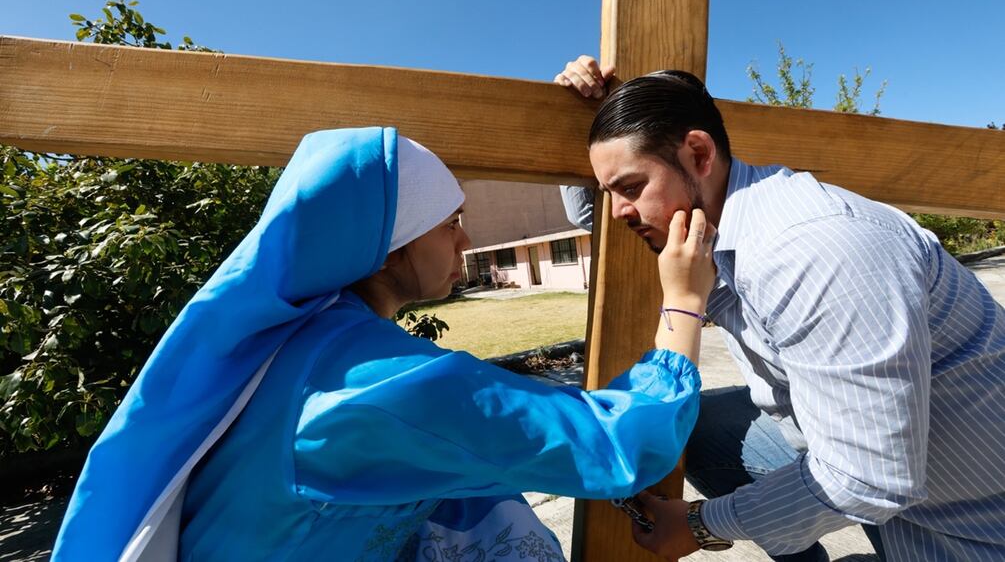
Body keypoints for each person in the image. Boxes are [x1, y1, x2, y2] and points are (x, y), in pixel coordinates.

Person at [52, 127, 716, 561]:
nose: (463, 242)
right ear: (386, 247)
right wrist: (684, 297)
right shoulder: (384, 386)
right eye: (449, 223)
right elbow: (624, 445)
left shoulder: (301, 344)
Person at [555, 56, 1005, 561]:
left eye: (631, 188)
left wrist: (701, 525)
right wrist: (577, 109)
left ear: (699, 153)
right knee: (700, 426)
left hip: (966, 525)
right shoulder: (729, 208)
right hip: (896, 469)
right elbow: (595, 212)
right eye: (611, 192)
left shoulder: (813, 251)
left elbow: (870, 477)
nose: (618, 212)